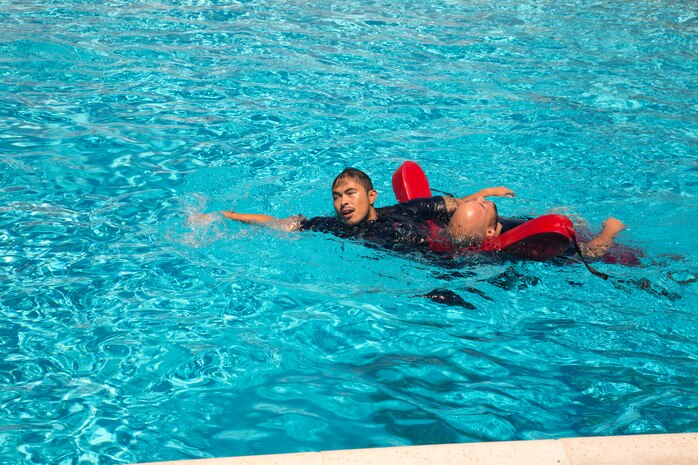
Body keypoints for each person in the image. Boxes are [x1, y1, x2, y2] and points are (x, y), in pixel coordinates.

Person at [204, 167, 514, 255]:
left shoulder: (404, 210)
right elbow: (276, 222)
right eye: (337, 197)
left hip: (449, 243)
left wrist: (484, 193)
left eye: (350, 193)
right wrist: (228, 216)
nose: (343, 202)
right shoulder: (334, 228)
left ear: (372, 196)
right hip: (435, 263)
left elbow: (456, 204)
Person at [445, 196, 626, 258]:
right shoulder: (529, 243)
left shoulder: (474, 229)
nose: (481, 198)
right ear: (489, 232)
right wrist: (611, 229)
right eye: (482, 206)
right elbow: (589, 253)